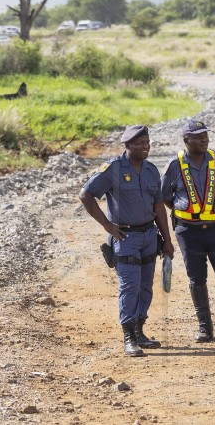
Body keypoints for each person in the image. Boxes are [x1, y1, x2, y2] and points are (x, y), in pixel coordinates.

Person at [79, 125, 175, 357]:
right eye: (140, 143)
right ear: (128, 145)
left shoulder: (151, 170)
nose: (146, 146)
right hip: (126, 237)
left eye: (147, 142)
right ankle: (129, 336)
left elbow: (158, 206)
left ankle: (140, 331)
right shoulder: (113, 169)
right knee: (129, 287)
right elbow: (86, 195)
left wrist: (167, 239)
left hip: (149, 236)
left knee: (145, 287)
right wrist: (108, 226)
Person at [161, 120, 215, 343]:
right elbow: (165, 196)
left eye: (205, 135)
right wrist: (189, 212)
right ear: (186, 140)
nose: (204, 139)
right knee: (197, 278)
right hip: (188, 232)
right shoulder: (174, 165)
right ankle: (205, 328)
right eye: (198, 136)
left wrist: (212, 208)